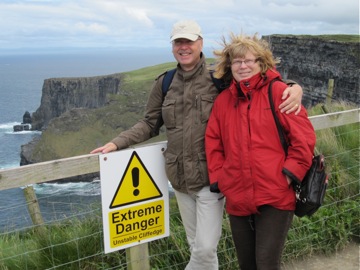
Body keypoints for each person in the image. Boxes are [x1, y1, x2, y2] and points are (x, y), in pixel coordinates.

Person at [91, 21, 303, 270]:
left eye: (189, 41)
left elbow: (256, 81)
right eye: (178, 42)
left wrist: (293, 87)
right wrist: (117, 143)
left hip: (210, 180)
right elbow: (149, 123)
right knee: (197, 247)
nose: (184, 47)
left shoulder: (219, 78)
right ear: (172, 47)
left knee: (204, 248)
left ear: (200, 43)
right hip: (179, 180)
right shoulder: (165, 83)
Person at [205, 32, 316, 270]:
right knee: (247, 264)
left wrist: (288, 175)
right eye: (237, 61)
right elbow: (214, 142)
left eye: (249, 60)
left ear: (261, 63)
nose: (243, 66)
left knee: (266, 264)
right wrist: (220, 179)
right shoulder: (223, 101)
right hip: (237, 196)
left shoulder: (279, 93)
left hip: (275, 195)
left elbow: (303, 139)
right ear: (229, 65)